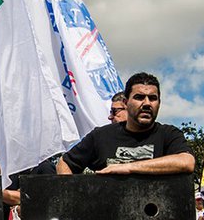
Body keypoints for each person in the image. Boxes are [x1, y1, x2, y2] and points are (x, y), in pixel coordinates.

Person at [56, 72, 194, 175]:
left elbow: (186, 162)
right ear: (126, 103)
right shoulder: (101, 136)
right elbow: (65, 163)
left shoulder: (168, 135)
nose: (146, 103)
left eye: (152, 98)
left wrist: (127, 167)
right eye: (139, 97)